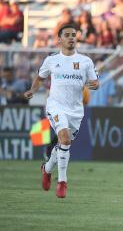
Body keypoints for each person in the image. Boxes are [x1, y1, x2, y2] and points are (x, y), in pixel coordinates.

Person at [24, 24, 99, 199]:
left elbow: (95, 83)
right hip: (56, 106)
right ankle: (62, 182)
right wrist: (32, 91)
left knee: (64, 145)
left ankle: (47, 168)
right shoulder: (51, 60)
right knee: (64, 138)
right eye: (67, 35)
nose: (71, 37)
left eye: (74, 34)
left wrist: (94, 85)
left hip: (76, 110)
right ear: (59, 39)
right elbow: (40, 78)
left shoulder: (86, 62)